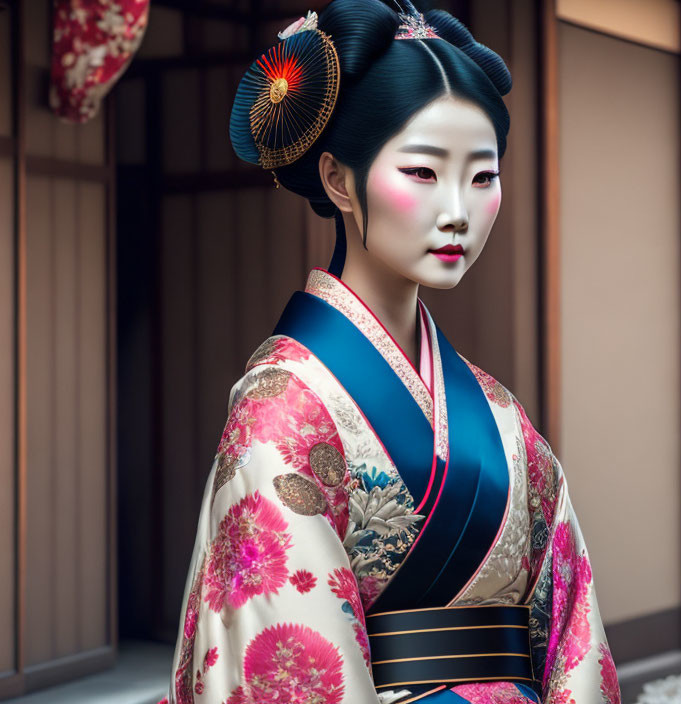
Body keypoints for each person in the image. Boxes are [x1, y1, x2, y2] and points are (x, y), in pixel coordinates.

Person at [163, 2, 621, 702]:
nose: (458, 212)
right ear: (339, 180)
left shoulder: (496, 413)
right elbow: (291, 659)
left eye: (483, 176)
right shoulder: (282, 410)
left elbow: (572, 634)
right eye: (422, 172)